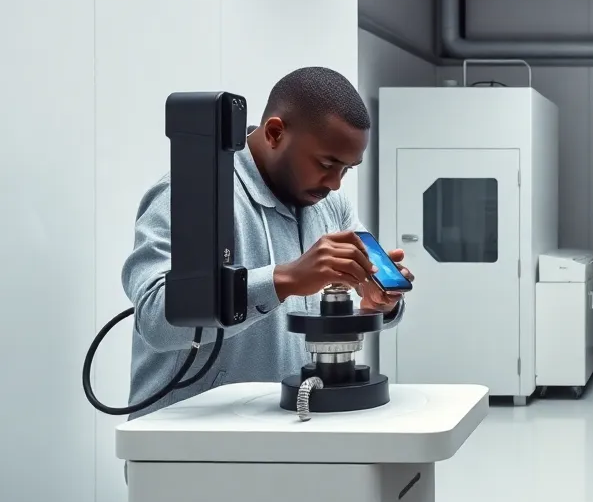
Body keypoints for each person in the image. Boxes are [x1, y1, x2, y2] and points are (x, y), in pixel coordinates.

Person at [123, 66, 412, 417]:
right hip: (187, 445)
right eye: (326, 163)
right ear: (275, 133)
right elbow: (154, 318)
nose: (335, 183)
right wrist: (283, 279)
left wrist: (381, 302)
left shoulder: (330, 204)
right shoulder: (190, 195)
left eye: (347, 169)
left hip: (277, 431)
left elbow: (371, 288)